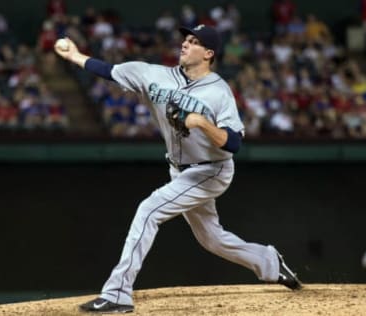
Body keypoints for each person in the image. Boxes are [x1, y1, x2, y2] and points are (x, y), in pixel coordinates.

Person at [54, 24, 302, 314]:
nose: (185, 44)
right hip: (180, 170)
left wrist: (203, 124)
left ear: (208, 53)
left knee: (148, 211)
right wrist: (74, 56)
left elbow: (234, 143)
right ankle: (270, 262)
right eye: (185, 39)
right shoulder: (154, 75)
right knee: (212, 238)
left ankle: (118, 294)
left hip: (212, 170)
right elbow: (109, 70)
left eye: (194, 41)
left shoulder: (219, 91)